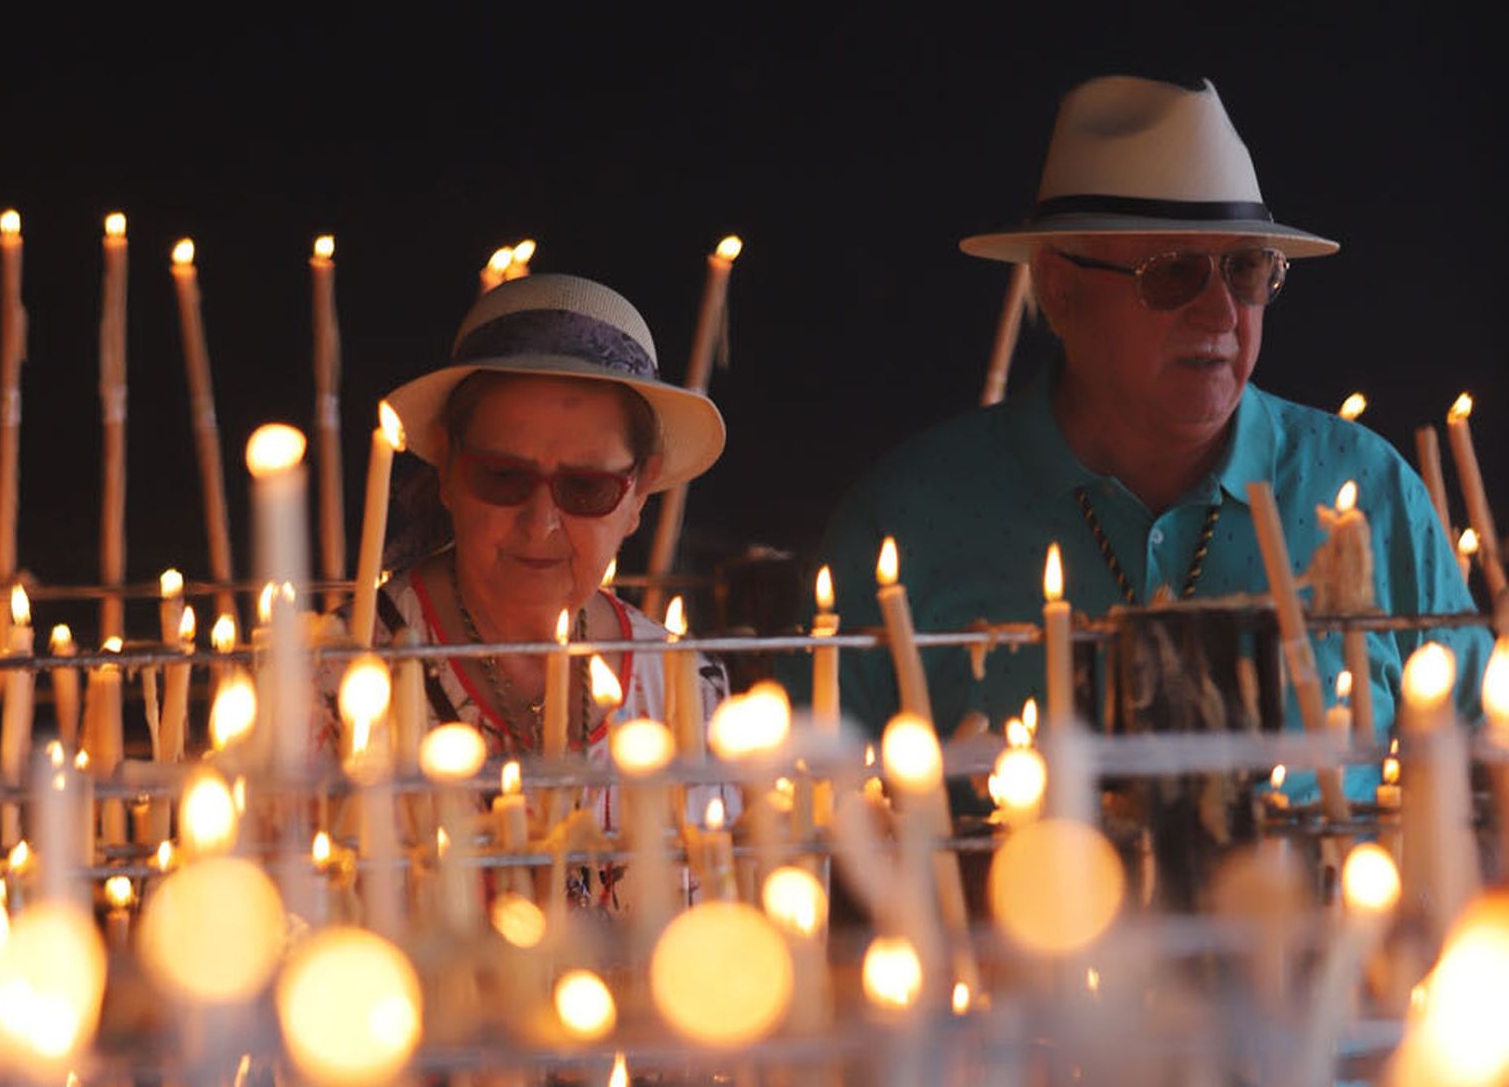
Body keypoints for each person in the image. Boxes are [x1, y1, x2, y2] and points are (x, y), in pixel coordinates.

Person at [824, 76, 1488, 774]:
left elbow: (1486, 779)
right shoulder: (909, 517)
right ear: (1059, 287)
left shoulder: (1367, 490)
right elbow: (819, 818)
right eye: (1172, 274)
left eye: (1247, 270)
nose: (1222, 313)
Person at [380, 270, 730, 863]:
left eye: (586, 488)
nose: (539, 522)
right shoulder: (336, 683)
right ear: (446, 468)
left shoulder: (687, 693)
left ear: (639, 493)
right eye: (503, 477)